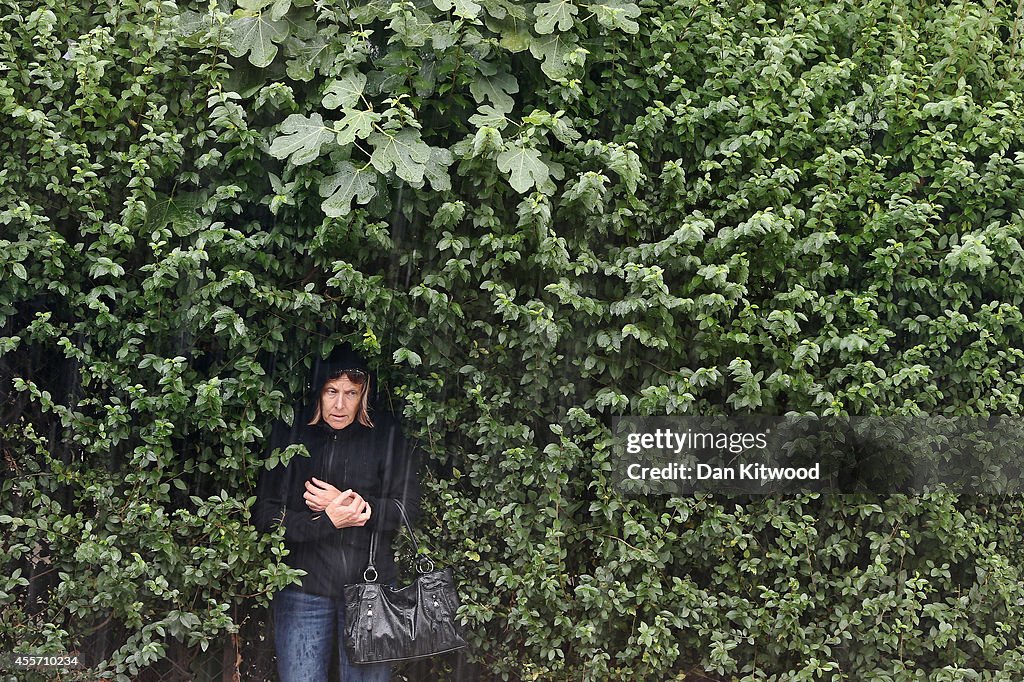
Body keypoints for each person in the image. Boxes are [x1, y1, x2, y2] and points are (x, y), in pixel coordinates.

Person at [254, 346, 421, 682]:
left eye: (351, 394)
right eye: (332, 392)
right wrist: (326, 521)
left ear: (364, 395)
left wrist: (360, 508)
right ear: (319, 392)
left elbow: (407, 508)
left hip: (370, 586)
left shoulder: (384, 434)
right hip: (302, 586)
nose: (340, 405)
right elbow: (265, 514)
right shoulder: (292, 434)